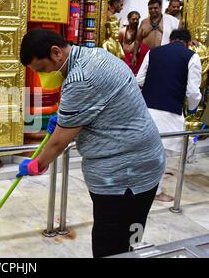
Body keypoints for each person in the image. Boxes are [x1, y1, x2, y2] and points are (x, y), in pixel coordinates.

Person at [16, 29, 165, 258]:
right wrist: (67, 118)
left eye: (43, 69)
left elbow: (58, 143)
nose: (45, 76)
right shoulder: (96, 54)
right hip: (145, 164)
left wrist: (37, 163)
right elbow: (101, 107)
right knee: (130, 235)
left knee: (109, 247)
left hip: (124, 177)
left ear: (56, 53)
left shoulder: (81, 78)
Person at [136, 29, 202, 202]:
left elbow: (139, 80)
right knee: (160, 156)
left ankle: (136, 186)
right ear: (187, 42)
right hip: (169, 112)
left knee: (143, 151)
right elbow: (193, 92)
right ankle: (155, 192)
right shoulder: (191, 57)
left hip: (145, 110)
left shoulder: (153, 52)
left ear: (170, 40)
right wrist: (193, 110)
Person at [131, 0, 180, 68]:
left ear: (160, 8)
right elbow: (137, 40)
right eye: (150, 8)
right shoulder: (144, 22)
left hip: (163, 54)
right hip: (145, 55)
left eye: (155, 8)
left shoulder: (170, 21)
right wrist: (134, 55)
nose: (153, 10)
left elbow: (179, 38)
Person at [118, 11, 149, 75]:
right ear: (128, 19)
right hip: (124, 59)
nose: (135, 21)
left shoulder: (140, 32)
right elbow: (119, 46)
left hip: (136, 60)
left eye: (137, 19)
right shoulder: (122, 31)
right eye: (133, 19)